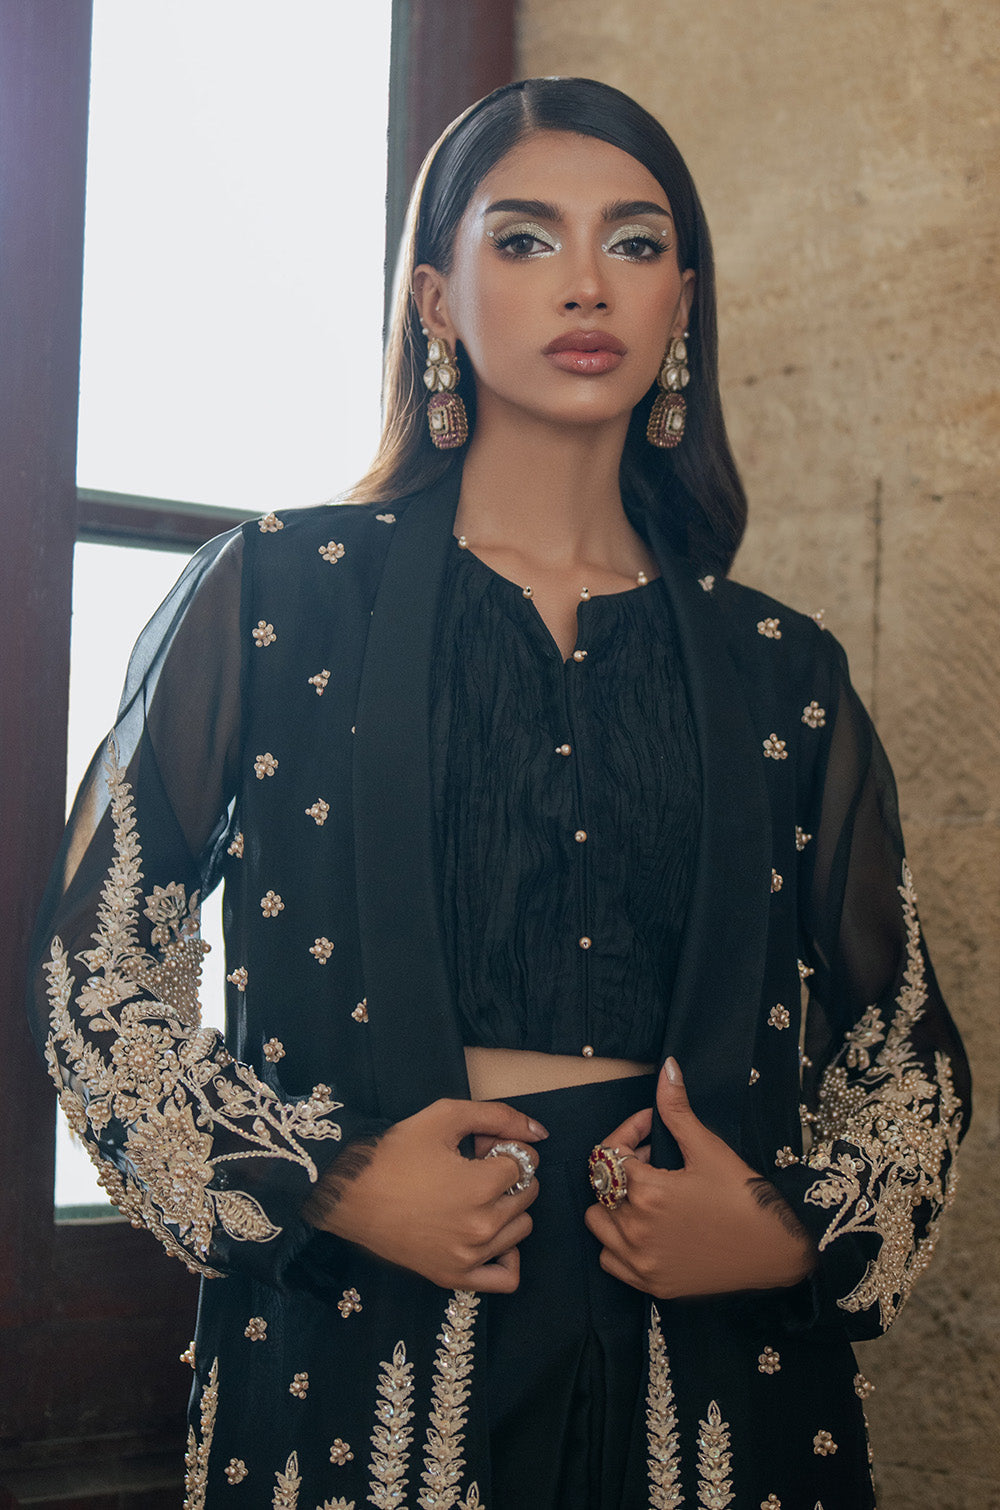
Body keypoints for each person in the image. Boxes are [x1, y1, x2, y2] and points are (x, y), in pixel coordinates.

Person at [29, 77, 970, 1510]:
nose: (587, 283)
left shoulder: (782, 668)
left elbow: (908, 1053)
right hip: (365, 1340)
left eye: (635, 243)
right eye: (526, 240)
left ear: (683, 303)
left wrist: (784, 1234)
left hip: (712, 1365)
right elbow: (96, 976)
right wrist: (330, 1184)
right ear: (435, 298)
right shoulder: (275, 595)